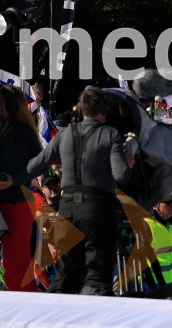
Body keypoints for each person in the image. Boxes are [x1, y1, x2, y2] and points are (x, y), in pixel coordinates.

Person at [24, 88, 135, 295]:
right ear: (104, 111)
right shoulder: (110, 135)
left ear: (81, 110)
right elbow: (121, 175)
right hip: (98, 208)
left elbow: (33, 167)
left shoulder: (65, 134)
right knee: (98, 279)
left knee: (66, 276)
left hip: (67, 208)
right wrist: (130, 159)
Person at [0, 85, 43, 291]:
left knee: (16, 265)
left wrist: (13, 180)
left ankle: (28, 312)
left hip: (17, 202)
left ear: (9, 104)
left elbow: (38, 166)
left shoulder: (24, 133)